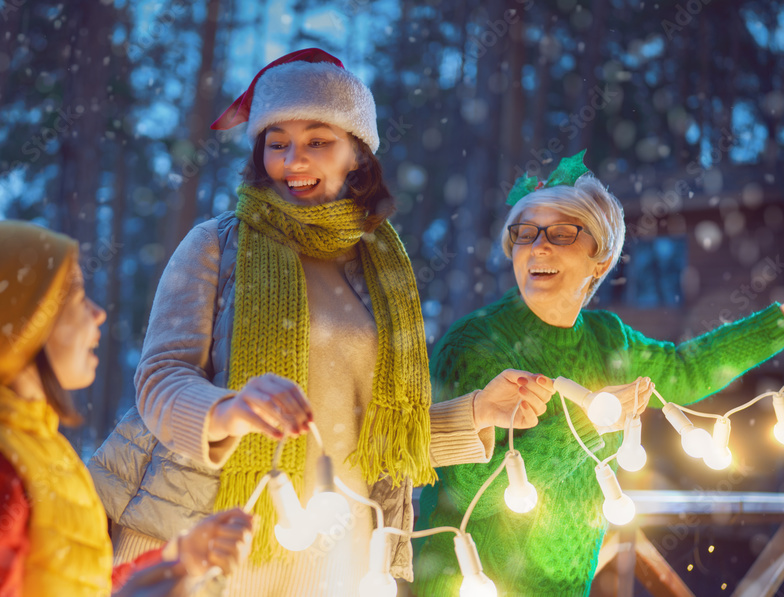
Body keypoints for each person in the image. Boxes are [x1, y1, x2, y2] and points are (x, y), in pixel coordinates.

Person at [89, 48, 552, 597]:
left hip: (336, 547)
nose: (293, 161)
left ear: (357, 154)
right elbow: (160, 380)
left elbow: (380, 435)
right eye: (276, 143)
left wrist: (480, 411)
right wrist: (229, 410)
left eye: (317, 141)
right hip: (210, 530)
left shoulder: (384, 267)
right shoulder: (216, 246)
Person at [412, 151, 784, 596]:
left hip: (566, 585)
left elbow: (686, 370)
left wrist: (778, 323)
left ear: (601, 261)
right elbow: (474, 490)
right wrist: (595, 419)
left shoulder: (609, 339)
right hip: (470, 580)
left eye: (563, 233)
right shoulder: (475, 343)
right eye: (525, 233)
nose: (539, 246)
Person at [0, 220, 252, 597]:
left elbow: (68, 585)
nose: (98, 312)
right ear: (17, 325)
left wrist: (178, 560)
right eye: (75, 297)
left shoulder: (26, 447)